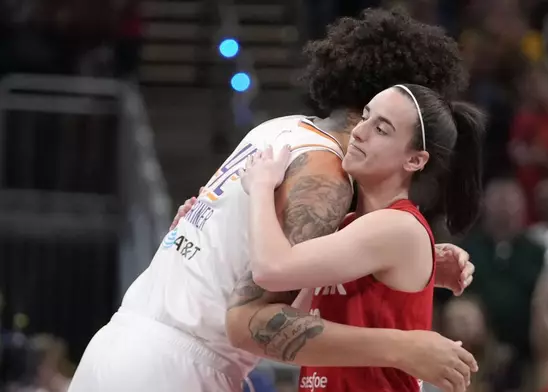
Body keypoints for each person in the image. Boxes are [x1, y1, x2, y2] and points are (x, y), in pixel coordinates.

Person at [69, 9, 476, 392]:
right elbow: (254, 310)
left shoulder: (277, 131)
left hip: (121, 343)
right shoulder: (327, 173)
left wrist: (414, 264)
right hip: (176, 366)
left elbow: (268, 249)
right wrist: (402, 346)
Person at [237, 83, 485, 392]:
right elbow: (290, 317)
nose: (358, 131)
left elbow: (270, 270)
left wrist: (260, 187)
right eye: (365, 116)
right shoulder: (350, 226)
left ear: (414, 161)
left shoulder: (398, 227)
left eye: (381, 129)